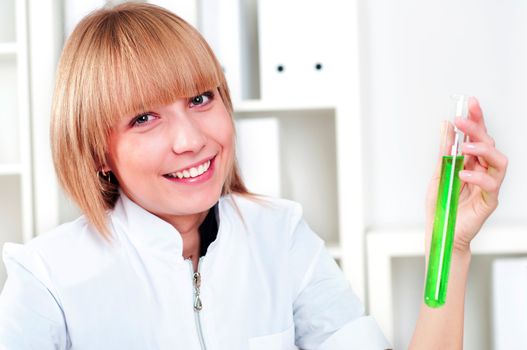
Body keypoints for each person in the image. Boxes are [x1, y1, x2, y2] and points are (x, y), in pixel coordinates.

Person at [0, 3, 507, 350]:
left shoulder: (280, 236)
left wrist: (452, 250)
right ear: (97, 153)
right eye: (144, 118)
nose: (191, 139)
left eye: (201, 99)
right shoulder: (48, 280)